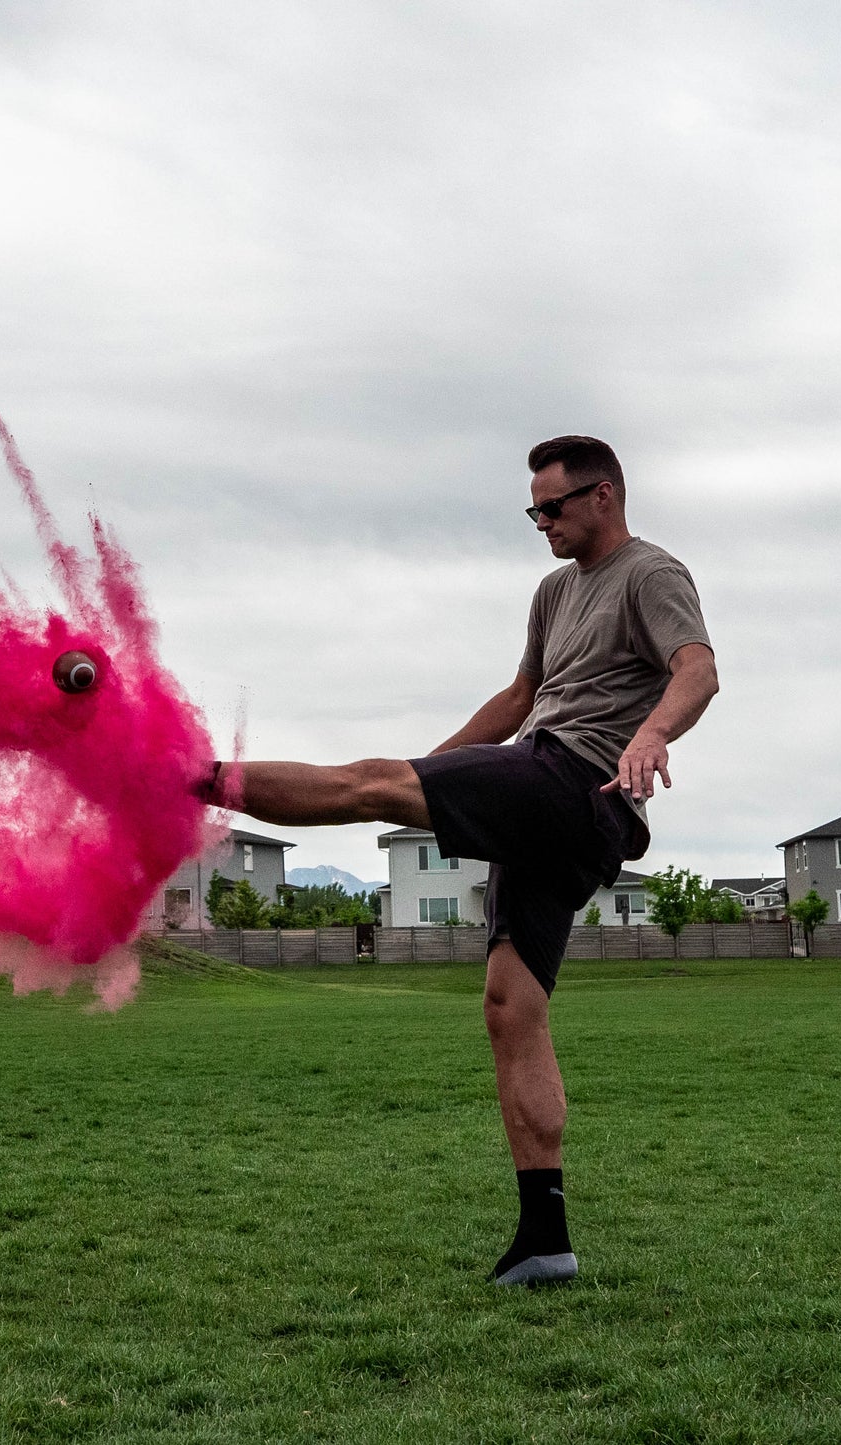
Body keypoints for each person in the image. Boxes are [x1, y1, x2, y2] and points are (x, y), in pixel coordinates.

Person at [199, 435, 717, 1285]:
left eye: (552, 506)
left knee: (362, 783)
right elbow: (518, 699)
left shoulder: (649, 574)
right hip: (559, 811)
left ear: (604, 495)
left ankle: (190, 777)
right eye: (532, 510)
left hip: (574, 776)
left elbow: (697, 668)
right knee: (511, 1007)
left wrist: (653, 731)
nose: (541, 521)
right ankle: (544, 1239)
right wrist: (428, 767)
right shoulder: (554, 592)